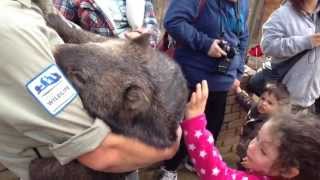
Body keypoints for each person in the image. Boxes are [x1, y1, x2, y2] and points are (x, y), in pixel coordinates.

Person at [0, 1, 180, 180]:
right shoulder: (13, 27)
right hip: (81, 145)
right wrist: (167, 150)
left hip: (115, 82)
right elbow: (100, 152)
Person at [159, 0, 250, 178]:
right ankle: (169, 169)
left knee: (211, 128)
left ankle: (195, 162)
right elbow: (173, 21)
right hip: (191, 78)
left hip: (222, 81)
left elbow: (243, 38)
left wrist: (237, 71)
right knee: (183, 127)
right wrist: (205, 44)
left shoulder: (243, 4)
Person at [182, 80, 320, 180]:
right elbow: (247, 102)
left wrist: (195, 125)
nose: (253, 145)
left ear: (288, 171)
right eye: (257, 137)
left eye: (263, 151)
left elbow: (217, 174)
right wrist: (238, 91)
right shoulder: (258, 112)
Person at [259, 0, 320, 111]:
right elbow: (267, 46)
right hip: (282, 101)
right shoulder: (283, 14)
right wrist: (306, 42)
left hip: (311, 101)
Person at [53, 0, 160, 47]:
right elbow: (60, 30)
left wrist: (143, 38)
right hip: (97, 65)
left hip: (136, 61)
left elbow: (151, 24)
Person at [235, 82, 290, 170]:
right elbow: (248, 102)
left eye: (270, 103)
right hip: (244, 151)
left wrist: (251, 160)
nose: (263, 103)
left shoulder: (269, 126)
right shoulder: (256, 109)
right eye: (262, 98)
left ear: (279, 108)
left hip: (252, 159)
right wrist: (239, 91)